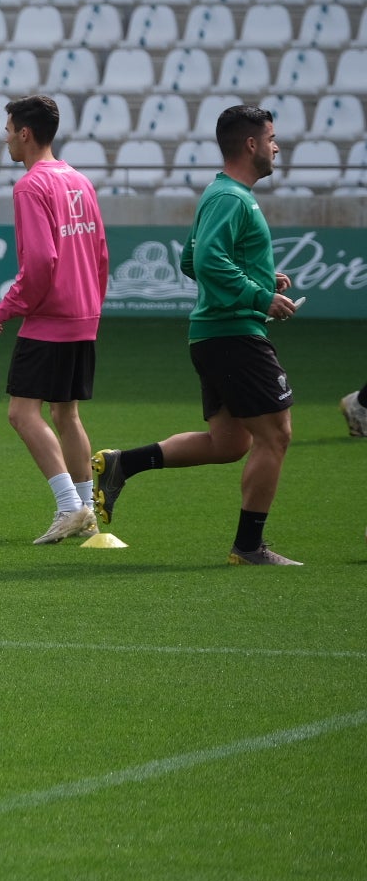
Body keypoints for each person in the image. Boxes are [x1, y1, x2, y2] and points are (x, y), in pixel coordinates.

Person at [92, 105, 304, 566]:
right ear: (250, 144)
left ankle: (122, 463)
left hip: (214, 334)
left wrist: (262, 275)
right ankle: (249, 547)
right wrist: (257, 296)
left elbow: (192, 260)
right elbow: (206, 262)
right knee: (276, 435)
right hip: (233, 335)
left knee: (231, 443)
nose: (276, 145)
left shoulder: (219, 192)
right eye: (271, 137)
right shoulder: (232, 198)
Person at [0, 95, 110, 545]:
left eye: (8, 129)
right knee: (66, 413)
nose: (6, 139)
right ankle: (88, 511)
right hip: (83, 315)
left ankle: (68, 508)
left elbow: (39, 261)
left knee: (21, 413)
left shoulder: (30, 186)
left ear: (25, 133)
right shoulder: (79, 180)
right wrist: (91, 307)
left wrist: (5, 307)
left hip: (50, 318)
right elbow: (100, 255)